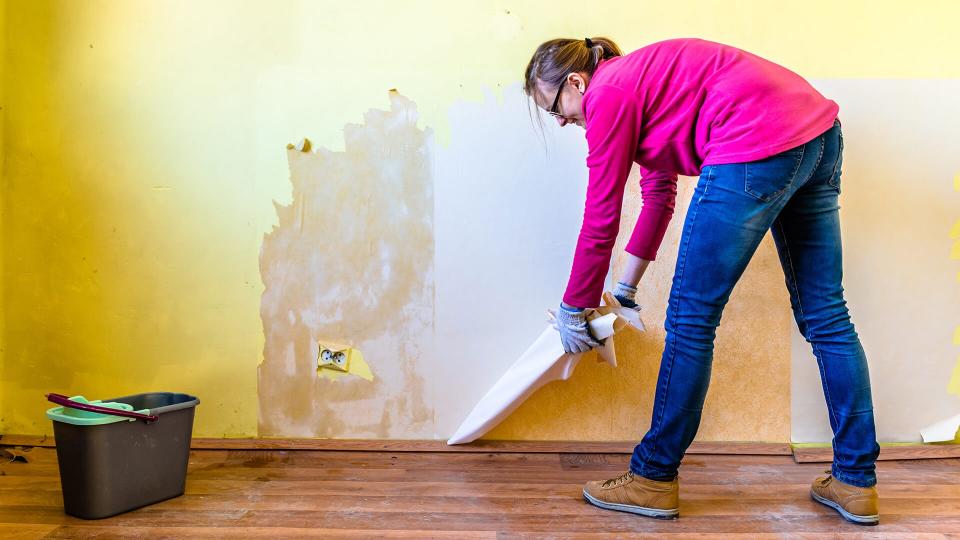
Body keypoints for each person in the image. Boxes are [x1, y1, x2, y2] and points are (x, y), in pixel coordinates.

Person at [523, 37, 881, 525]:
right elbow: (657, 196)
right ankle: (856, 482)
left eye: (556, 109)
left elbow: (602, 212)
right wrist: (625, 290)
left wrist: (574, 306)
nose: (563, 121)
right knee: (827, 314)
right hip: (818, 136)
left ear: (576, 82)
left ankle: (652, 478)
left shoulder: (607, 92)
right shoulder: (640, 85)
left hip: (754, 142)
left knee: (692, 320)